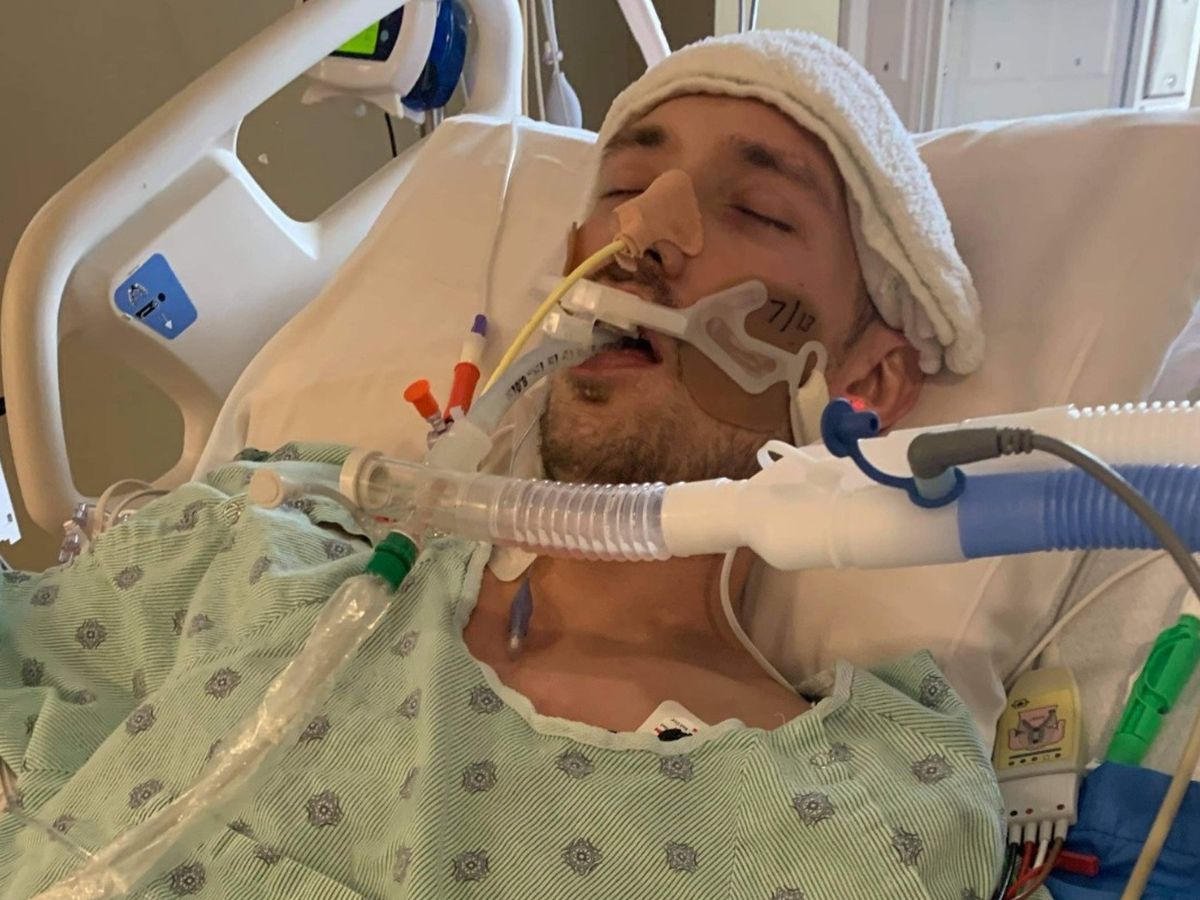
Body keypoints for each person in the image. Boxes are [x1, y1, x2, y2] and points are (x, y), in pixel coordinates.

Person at [1, 30, 1023, 900]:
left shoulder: (852, 825)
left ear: (865, 383)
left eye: (757, 210)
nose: (642, 232)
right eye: (622, 189)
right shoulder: (268, 539)